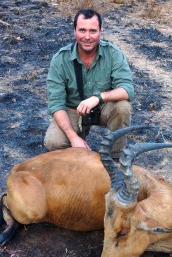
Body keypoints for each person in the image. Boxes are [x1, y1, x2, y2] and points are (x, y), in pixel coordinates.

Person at [44, 9, 134, 159]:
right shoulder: (60, 59)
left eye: (93, 31)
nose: (87, 37)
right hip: (74, 110)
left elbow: (128, 90)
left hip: (103, 107)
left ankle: (116, 157)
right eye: (82, 30)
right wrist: (73, 137)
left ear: (100, 31)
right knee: (54, 142)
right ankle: (79, 145)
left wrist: (98, 98)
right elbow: (56, 104)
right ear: (74, 31)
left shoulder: (113, 53)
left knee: (123, 106)